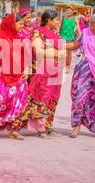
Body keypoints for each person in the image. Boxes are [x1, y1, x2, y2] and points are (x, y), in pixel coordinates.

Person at [13, 10, 65, 139]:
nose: (58, 22)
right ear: (49, 21)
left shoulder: (55, 33)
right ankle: (35, 128)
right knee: (39, 99)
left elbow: (63, 50)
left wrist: (57, 53)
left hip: (55, 71)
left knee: (52, 99)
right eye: (56, 20)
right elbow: (38, 51)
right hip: (40, 70)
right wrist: (56, 53)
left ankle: (48, 126)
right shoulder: (38, 32)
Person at [60, 6, 80, 71]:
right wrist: (58, 34)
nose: (68, 11)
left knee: (69, 52)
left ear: (73, 11)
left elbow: (77, 28)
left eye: (70, 10)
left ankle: (68, 66)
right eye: (67, 10)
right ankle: (61, 65)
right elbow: (59, 27)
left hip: (70, 37)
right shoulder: (63, 18)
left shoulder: (75, 19)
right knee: (62, 52)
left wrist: (81, 36)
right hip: (62, 36)